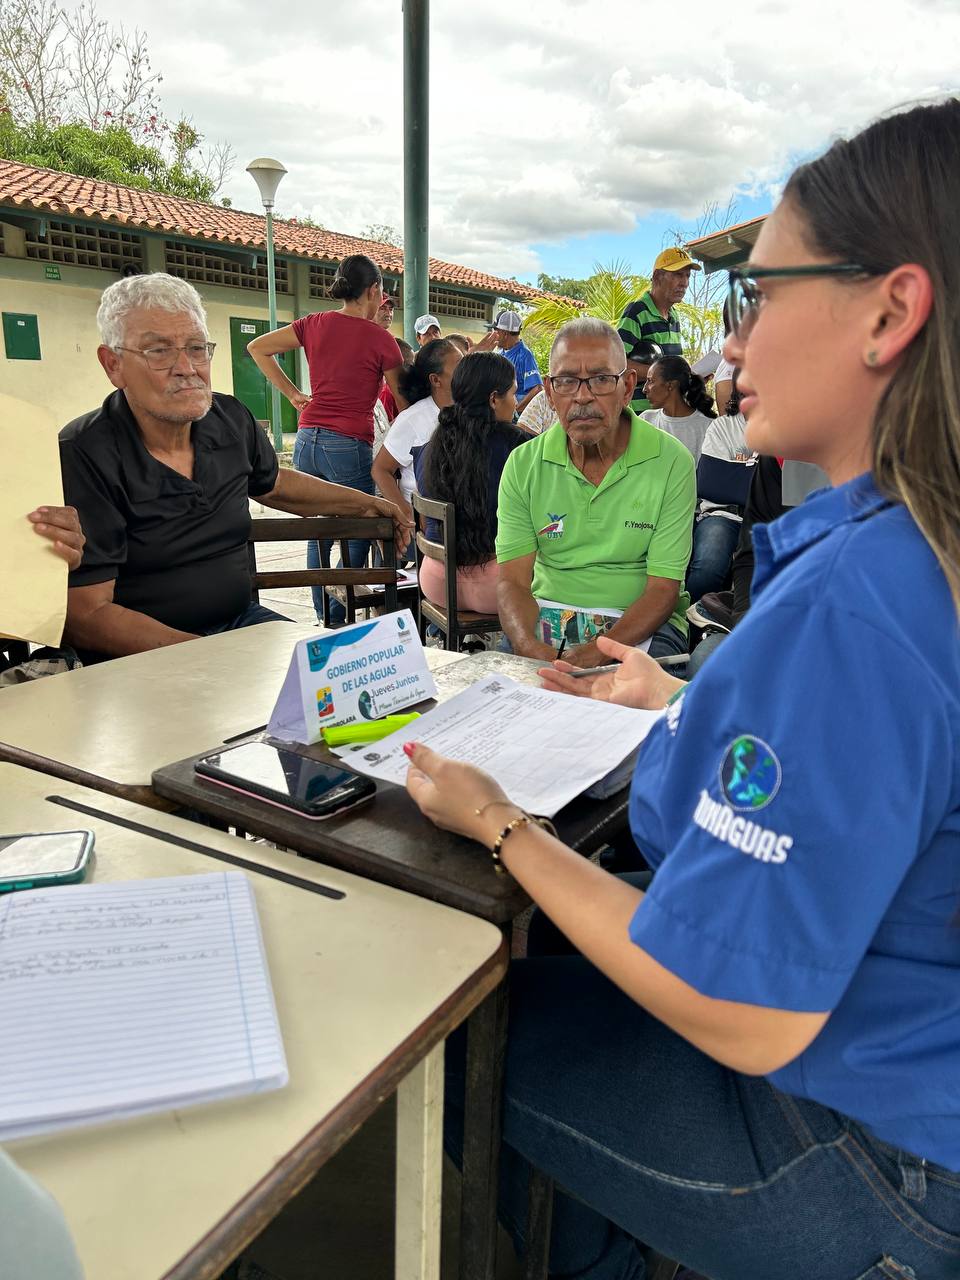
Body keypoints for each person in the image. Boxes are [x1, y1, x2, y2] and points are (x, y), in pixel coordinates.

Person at [402, 98, 960, 1280]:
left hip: (868, 1147)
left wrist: (497, 820)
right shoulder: (918, 554)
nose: (728, 349)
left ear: (889, 311)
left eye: (758, 296)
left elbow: (737, 1004)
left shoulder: (856, 599)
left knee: (452, 1034)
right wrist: (680, 702)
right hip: (917, 1079)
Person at [61, 273, 410, 660]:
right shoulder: (85, 452)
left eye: (197, 348)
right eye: (158, 351)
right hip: (141, 659)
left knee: (353, 672)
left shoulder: (227, 418)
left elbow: (275, 485)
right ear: (113, 364)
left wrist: (369, 504)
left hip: (241, 624)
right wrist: (216, 659)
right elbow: (86, 615)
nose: (186, 367)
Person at [495, 317, 696, 667]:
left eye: (602, 379)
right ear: (549, 392)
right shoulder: (523, 464)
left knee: (639, 697)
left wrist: (591, 656)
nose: (583, 396)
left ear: (627, 386)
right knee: (500, 694)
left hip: (640, 624)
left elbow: (663, 589)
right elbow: (512, 581)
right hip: (547, 615)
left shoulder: (671, 461)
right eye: (567, 381)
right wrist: (528, 647)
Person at [248, 255, 407, 625]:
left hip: (307, 439)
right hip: (347, 443)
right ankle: (337, 614)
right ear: (373, 290)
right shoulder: (382, 340)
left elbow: (257, 347)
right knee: (360, 528)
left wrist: (292, 395)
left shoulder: (313, 323)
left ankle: (323, 613)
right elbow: (402, 401)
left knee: (317, 530)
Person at [415, 352, 529, 614]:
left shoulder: (432, 446)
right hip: (497, 588)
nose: (516, 403)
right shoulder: (518, 446)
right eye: (513, 393)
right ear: (494, 399)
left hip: (435, 581)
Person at [371, 338, 462, 522]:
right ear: (435, 380)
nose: (467, 372)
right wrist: (406, 514)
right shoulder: (412, 419)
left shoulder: (467, 410)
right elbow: (381, 470)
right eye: (460, 367)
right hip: (425, 521)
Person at [684, 376, 752, 604]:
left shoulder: (791, 426)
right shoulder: (723, 425)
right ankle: (688, 620)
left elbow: (797, 485)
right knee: (708, 566)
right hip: (723, 514)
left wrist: (740, 473)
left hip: (770, 517)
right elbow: (711, 484)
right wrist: (765, 479)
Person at [618, 247, 700, 413]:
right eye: (678, 274)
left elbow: (673, 367)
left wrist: (689, 378)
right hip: (642, 415)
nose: (684, 283)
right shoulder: (637, 312)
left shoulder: (674, 316)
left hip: (669, 415)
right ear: (657, 277)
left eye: (687, 276)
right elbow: (615, 364)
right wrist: (662, 375)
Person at [641, 354, 718, 463]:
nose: (644, 389)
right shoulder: (646, 420)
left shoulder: (707, 427)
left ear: (670, 385)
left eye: (650, 381)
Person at [490, 310, 543, 416]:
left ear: (505, 334)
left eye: (497, 331)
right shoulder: (500, 353)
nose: (494, 335)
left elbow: (537, 389)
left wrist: (515, 411)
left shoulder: (524, 355)